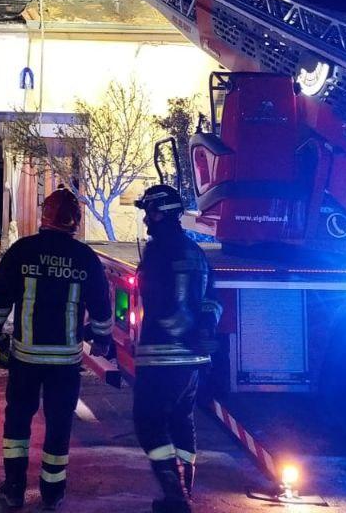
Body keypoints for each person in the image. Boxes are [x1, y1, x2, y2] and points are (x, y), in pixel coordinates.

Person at [0, 187, 114, 511]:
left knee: (17, 421)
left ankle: (14, 489)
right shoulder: (85, 259)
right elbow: (101, 307)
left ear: (44, 216)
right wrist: (103, 340)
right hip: (65, 363)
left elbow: (0, 299)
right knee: (59, 424)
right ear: (75, 223)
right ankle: (53, 493)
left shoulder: (22, 251)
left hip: (25, 358)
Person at [131, 184, 222, 513]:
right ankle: (185, 491)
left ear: (163, 213)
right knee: (182, 420)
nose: (146, 220)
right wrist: (205, 329)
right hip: (194, 359)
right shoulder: (196, 252)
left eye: (149, 212)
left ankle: (176, 496)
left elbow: (159, 305)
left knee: (148, 423)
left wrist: (180, 334)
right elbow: (212, 299)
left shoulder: (158, 253)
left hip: (162, 357)